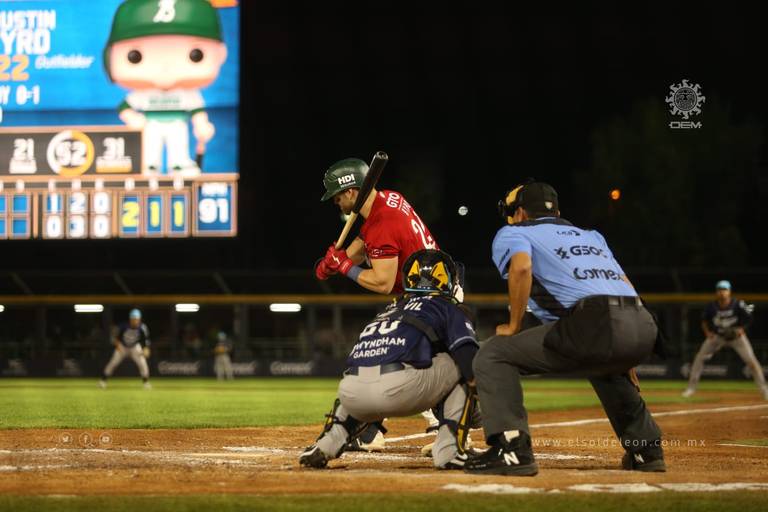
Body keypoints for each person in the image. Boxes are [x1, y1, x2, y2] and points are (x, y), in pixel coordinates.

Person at [464, 179, 665, 476]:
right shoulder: (590, 235)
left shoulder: (514, 231)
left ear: (519, 212)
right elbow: (625, 285)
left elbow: (521, 267)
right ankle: (646, 450)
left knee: (494, 353)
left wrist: (514, 325)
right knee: (603, 363)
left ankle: (512, 449)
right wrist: (626, 354)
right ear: (556, 212)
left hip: (597, 322)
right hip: (643, 323)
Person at [300, 250, 480, 470]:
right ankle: (449, 451)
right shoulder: (448, 308)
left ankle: (327, 442)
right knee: (464, 361)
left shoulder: (391, 309)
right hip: (402, 390)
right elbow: (467, 358)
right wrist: (479, 404)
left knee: (364, 372)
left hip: (350, 394)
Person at [316, 157, 442, 450]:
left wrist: (346, 267)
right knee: (386, 355)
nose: (335, 202)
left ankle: (442, 426)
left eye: (336, 196)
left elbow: (383, 282)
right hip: (427, 292)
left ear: (350, 192)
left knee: (382, 353)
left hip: (429, 299)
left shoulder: (383, 221)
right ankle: (373, 430)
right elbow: (365, 239)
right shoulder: (387, 199)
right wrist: (338, 260)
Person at [105, 0, 228, 175]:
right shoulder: (142, 94)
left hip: (178, 124)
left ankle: (179, 165)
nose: (165, 66)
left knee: (178, 147)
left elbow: (197, 112)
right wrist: (132, 118)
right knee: (150, 150)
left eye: (195, 55)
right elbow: (125, 107)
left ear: (221, 54)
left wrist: (202, 125)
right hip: (151, 125)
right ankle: (148, 166)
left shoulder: (188, 94)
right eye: (135, 56)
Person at [682, 281, 767, 400]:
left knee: (752, 362)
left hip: (737, 338)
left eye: (725, 289)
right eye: (720, 289)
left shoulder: (738, 304)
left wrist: (742, 328)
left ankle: (764, 390)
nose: (722, 292)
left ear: (729, 291)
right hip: (718, 337)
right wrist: (707, 333)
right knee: (699, 358)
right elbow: (704, 321)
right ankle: (691, 389)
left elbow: (749, 317)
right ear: (717, 292)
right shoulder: (712, 306)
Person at [99, 309, 152, 389]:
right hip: (122, 346)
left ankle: (146, 382)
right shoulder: (123, 326)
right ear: (130, 319)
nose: (135, 321)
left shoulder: (142, 327)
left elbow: (145, 340)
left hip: (135, 347)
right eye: (134, 319)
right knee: (113, 363)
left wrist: (146, 348)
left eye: (137, 319)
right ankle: (103, 381)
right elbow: (114, 337)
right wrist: (118, 346)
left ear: (139, 319)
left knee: (142, 363)